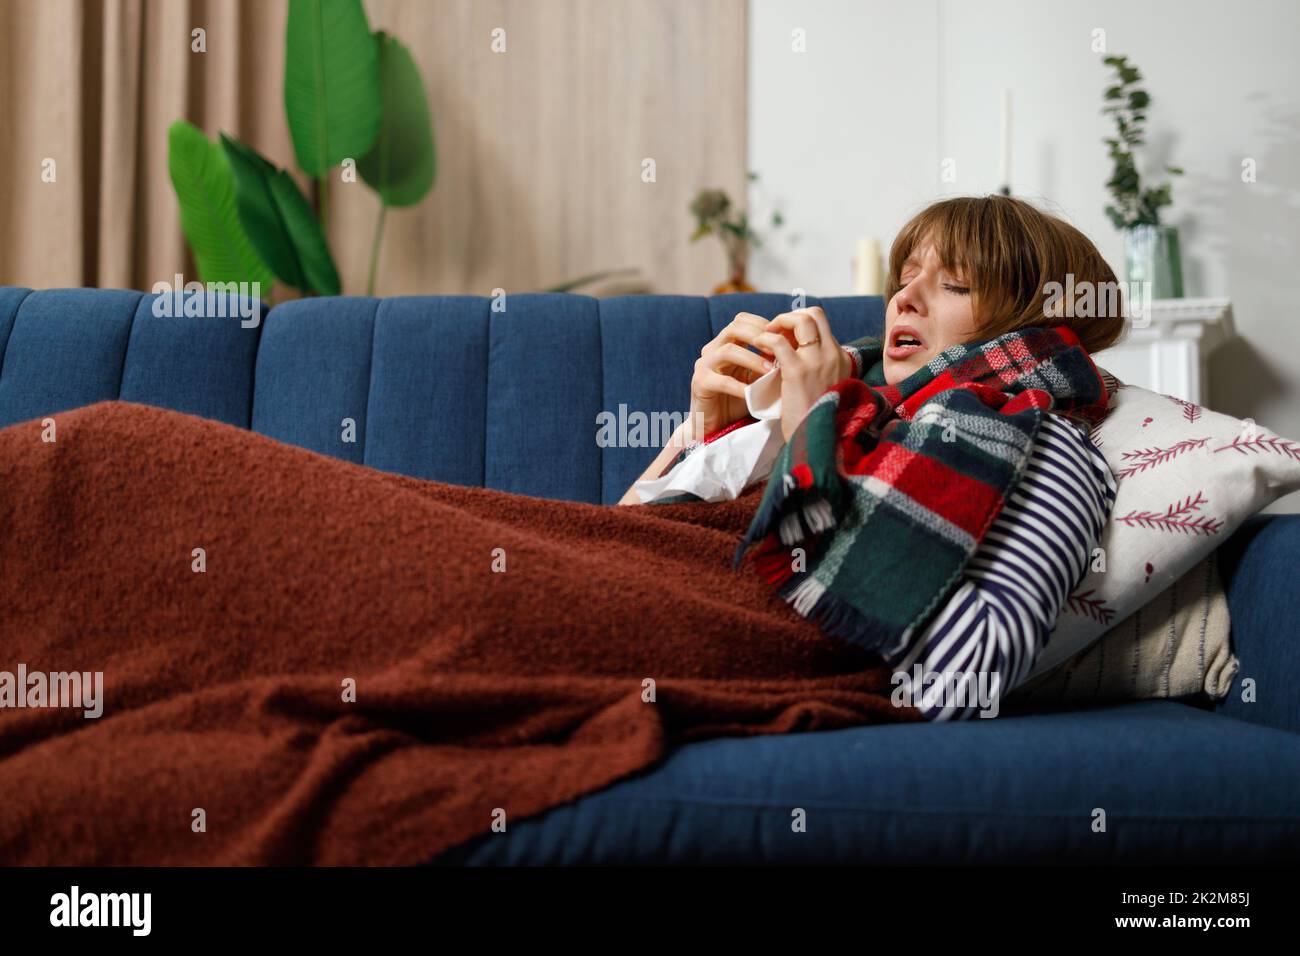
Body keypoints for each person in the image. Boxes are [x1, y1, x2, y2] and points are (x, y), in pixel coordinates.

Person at [619, 195, 1122, 720]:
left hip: (696, 634)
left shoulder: (1042, 441)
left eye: (956, 284)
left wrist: (812, 425)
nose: (906, 297)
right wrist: (701, 429)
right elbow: (615, 534)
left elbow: (971, 674)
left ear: (1031, 324)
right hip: (636, 599)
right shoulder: (866, 404)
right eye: (904, 278)